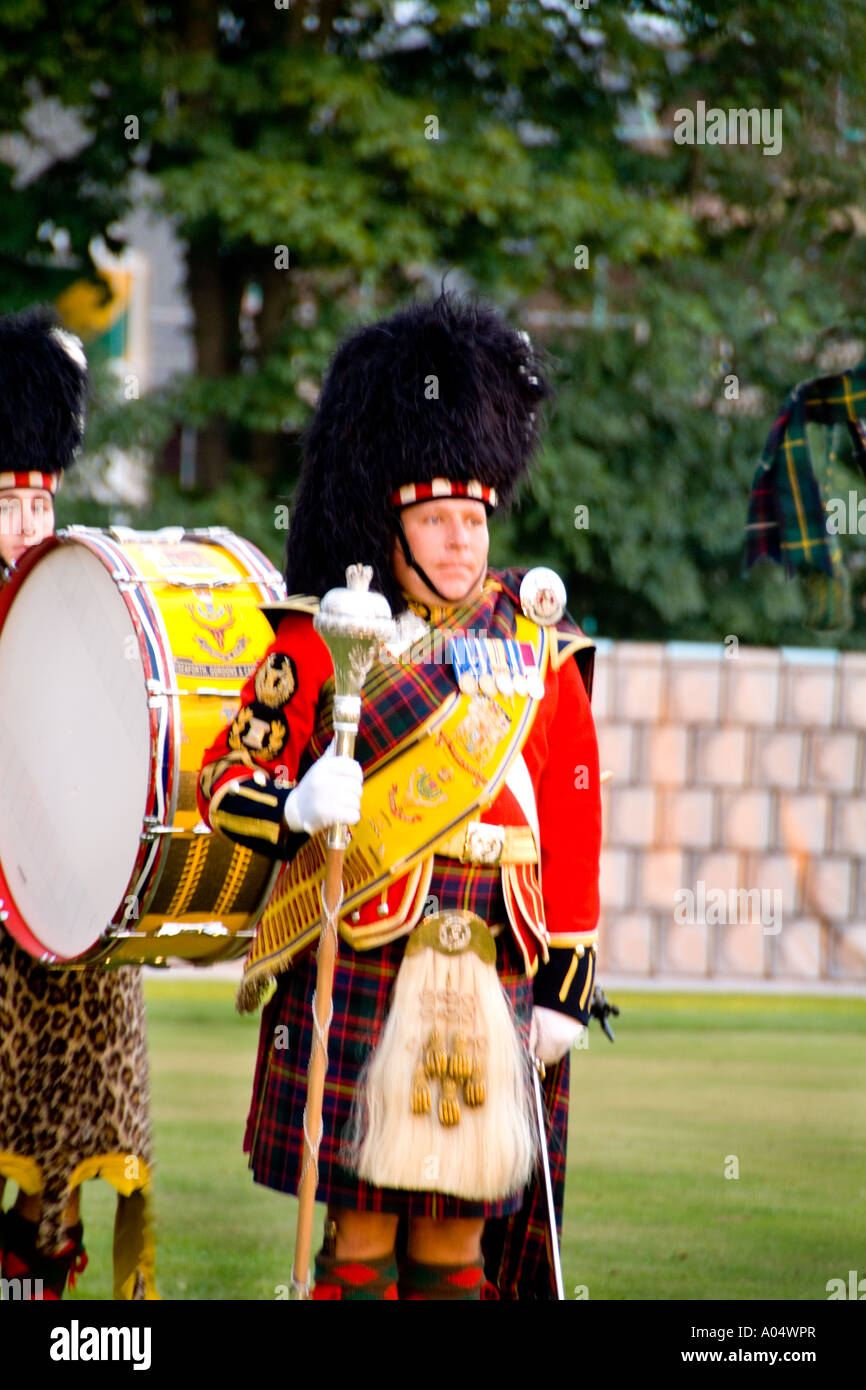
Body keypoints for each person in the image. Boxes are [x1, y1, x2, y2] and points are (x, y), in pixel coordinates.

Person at [197, 292, 601, 1300]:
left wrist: (564, 988)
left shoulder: (536, 645)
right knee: (364, 1227)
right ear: (394, 523)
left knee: (455, 1241)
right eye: (437, 519)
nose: (463, 542)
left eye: (474, 519)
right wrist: (293, 805)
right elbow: (223, 785)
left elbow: (573, 811)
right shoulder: (319, 637)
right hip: (366, 941)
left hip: (495, 953)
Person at [0, 306, 156, 1300]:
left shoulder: (82, 599)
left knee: (53, 1172)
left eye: (38, 506)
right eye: (4, 506)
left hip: (65, 920)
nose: (26, 528)